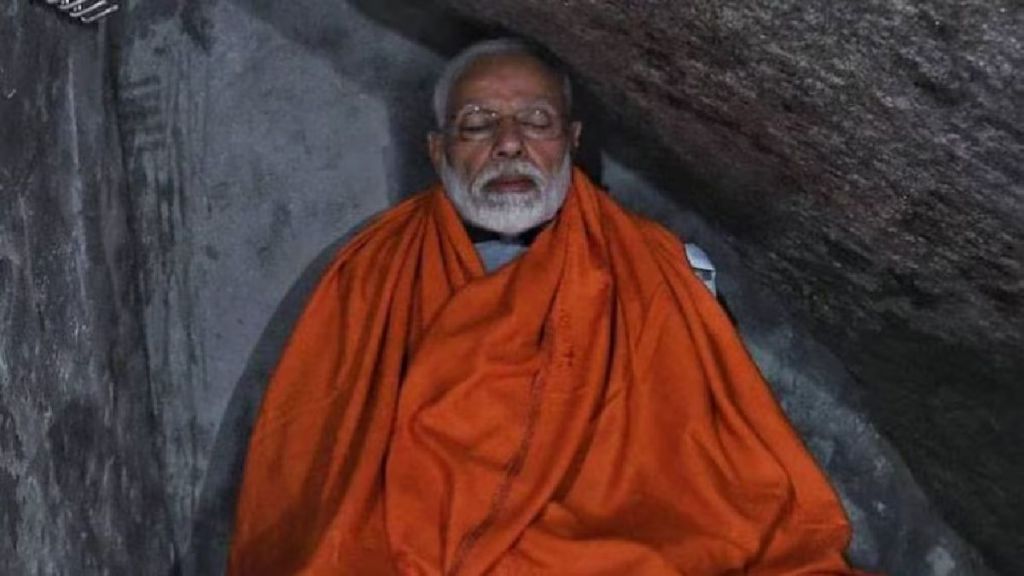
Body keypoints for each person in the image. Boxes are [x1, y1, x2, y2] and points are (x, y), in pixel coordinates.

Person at [228, 38, 865, 575]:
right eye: (477, 123)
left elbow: (711, 469)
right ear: (437, 149)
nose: (509, 145)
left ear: (570, 138)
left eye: (535, 122)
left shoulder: (658, 268)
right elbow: (321, 470)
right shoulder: (370, 276)